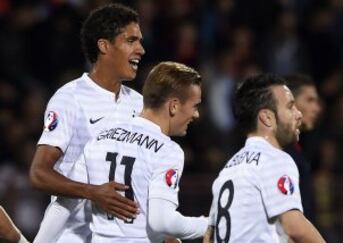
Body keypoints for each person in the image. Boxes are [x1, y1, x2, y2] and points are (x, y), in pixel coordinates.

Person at [41, 61, 208, 242]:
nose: (196, 114)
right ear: (174, 106)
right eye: (195, 106)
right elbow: (162, 221)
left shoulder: (100, 140)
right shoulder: (168, 151)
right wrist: (210, 224)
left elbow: (62, 206)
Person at [30, 3, 145, 243]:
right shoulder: (69, 98)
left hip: (120, 235)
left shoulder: (139, 104)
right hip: (72, 235)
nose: (141, 49)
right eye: (131, 41)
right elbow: (39, 174)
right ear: (104, 46)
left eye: (140, 41)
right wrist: (93, 193)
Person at [204, 74, 325, 242]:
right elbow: (295, 227)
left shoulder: (227, 169)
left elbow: (209, 237)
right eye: (290, 107)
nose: (298, 114)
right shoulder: (275, 159)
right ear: (267, 118)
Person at [284, 73, 321, 221]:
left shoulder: (297, 149)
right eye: (310, 100)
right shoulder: (280, 154)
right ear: (291, 103)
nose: (317, 108)